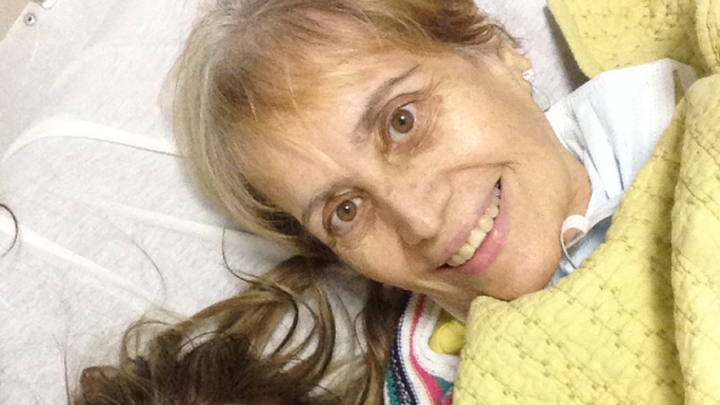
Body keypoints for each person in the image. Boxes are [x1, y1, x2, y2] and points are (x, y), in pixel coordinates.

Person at [72, 0, 720, 404]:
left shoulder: (689, 118)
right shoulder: (435, 379)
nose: (420, 220)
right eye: (345, 211)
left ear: (493, 51)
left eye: (402, 122)